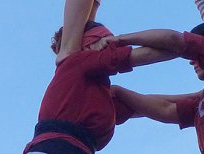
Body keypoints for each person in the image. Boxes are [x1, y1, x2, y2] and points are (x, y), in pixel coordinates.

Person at [99, 18, 204, 153]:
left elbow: (174, 40)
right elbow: (167, 108)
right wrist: (119, 92)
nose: (192, 61)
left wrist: (121, 40)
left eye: (200, 54)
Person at [23, 21, 177, 154]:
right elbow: (172, 45)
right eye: (105, 41)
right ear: (87, 45)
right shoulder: (79, 61)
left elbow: (161, 105)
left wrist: (199, 97)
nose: (111, 45)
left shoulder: (96, 96)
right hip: (56, 148)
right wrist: (121, 39)